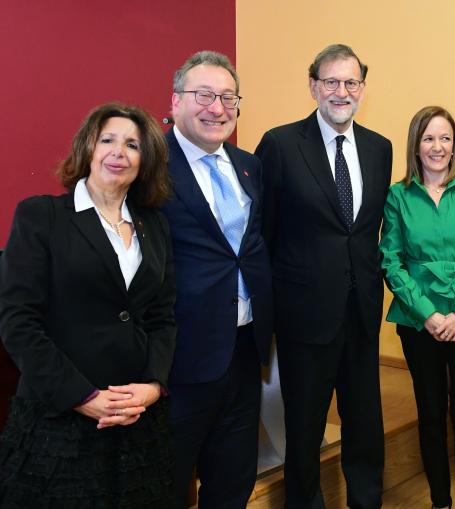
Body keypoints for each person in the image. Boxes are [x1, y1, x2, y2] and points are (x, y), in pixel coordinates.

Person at [0, 103, 176, 507]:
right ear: (88, 148)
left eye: (132, 144)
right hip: (61, 419)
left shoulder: (156, 225)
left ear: (145, 158)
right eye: (107, 140)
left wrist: (152, 386)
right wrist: (82, 397)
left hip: (138, 421)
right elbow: (18, 322)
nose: (119, 152)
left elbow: (162, 318)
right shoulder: (41, 215)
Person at [255, 44, 391, 509]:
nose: (341, 91)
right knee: (305, 429)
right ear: (313, 85)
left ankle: (366, 499)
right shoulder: (279, 145)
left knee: (365, 422)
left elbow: (365, 231)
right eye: (331, 82)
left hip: (361, 312)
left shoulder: (379, 149)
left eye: (350, 82)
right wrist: (268, 319)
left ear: (363, 89)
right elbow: (263, 236)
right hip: (304, 317)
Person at [161, 50, 274, 508]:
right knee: (166, 479)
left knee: (233, 477)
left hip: (244, 348)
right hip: (180, 356)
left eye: (229, 97)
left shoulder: (249, 165)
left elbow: (254, 246)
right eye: (204, 95)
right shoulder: (148, 164)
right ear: (175, 102)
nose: (218, 107)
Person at [380, 106, 455, 509]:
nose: (437, 146)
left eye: (445, 138)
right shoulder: (398, 195)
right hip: (419, 321)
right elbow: (391, 260)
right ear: (416, 146)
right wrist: (428, 314)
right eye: (428, 138)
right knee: (430, 413)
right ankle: (439, 501)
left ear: (454, 146)